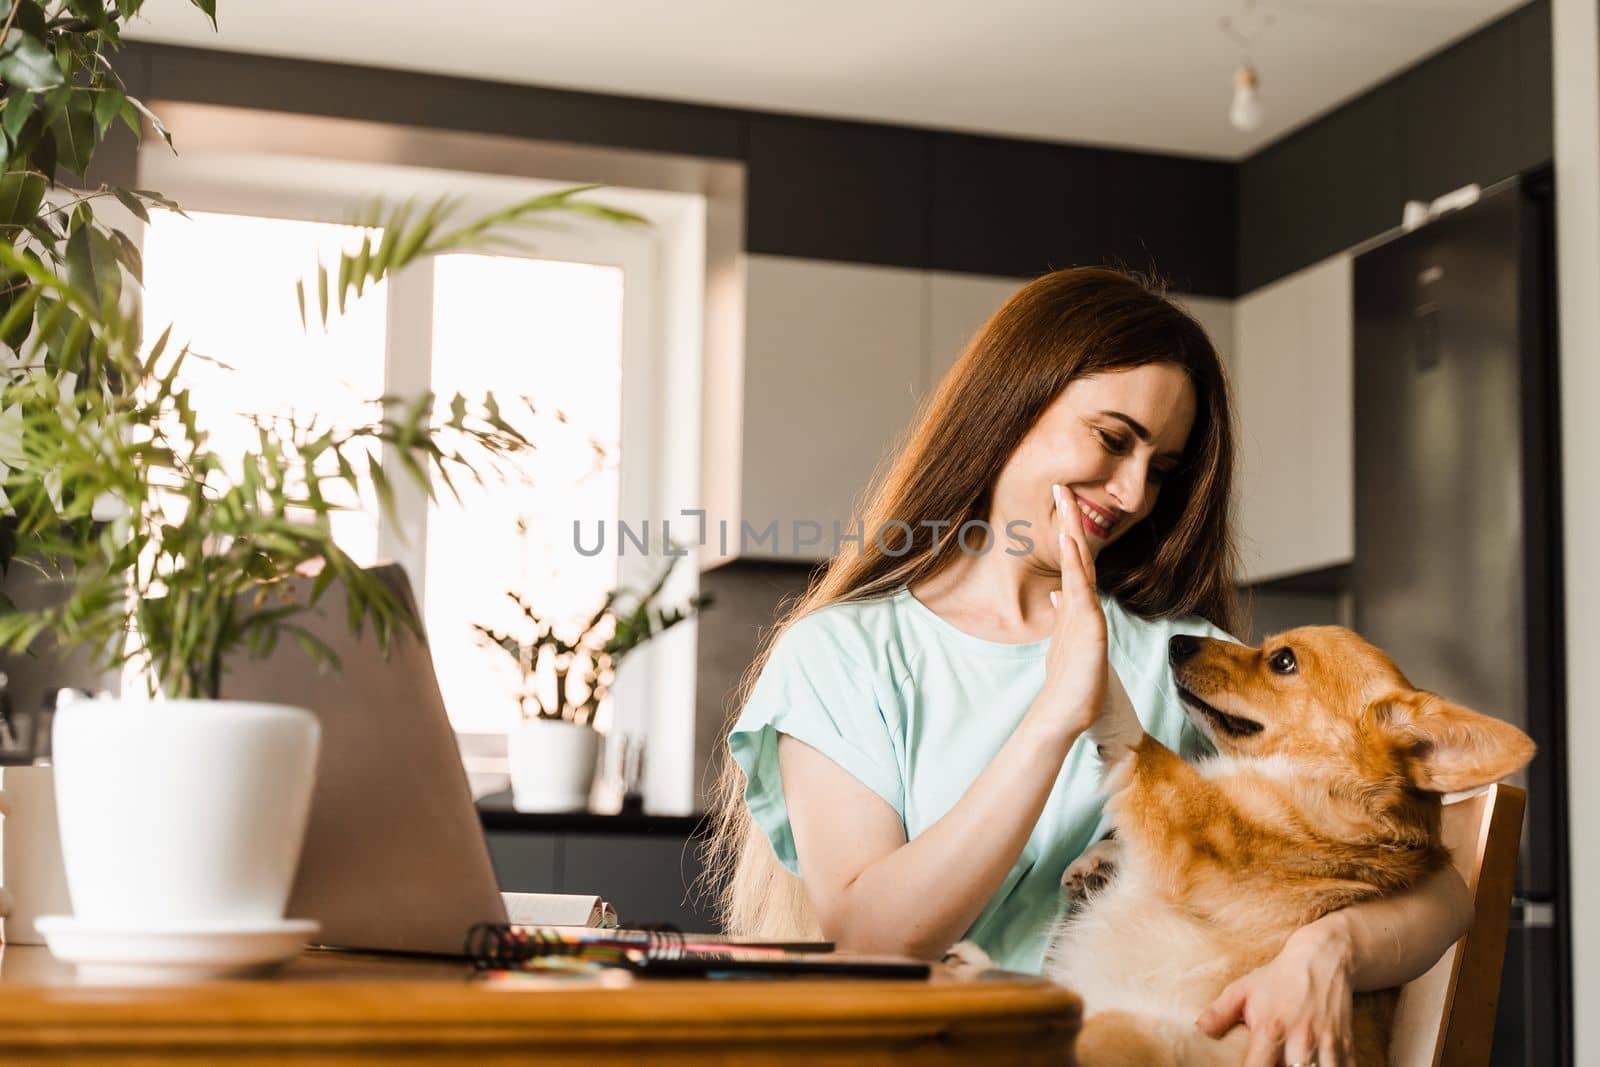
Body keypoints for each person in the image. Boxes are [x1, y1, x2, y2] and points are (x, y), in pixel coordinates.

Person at [703, 267, 1472, 1067]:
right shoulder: (844, 655)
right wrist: (1058, 716)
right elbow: (874, 936)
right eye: (1112, 438)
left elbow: (1441, 891)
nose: (1135, 491)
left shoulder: (1185, 662)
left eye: (1163, 466)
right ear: (1011, 405)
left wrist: (1330, 947)